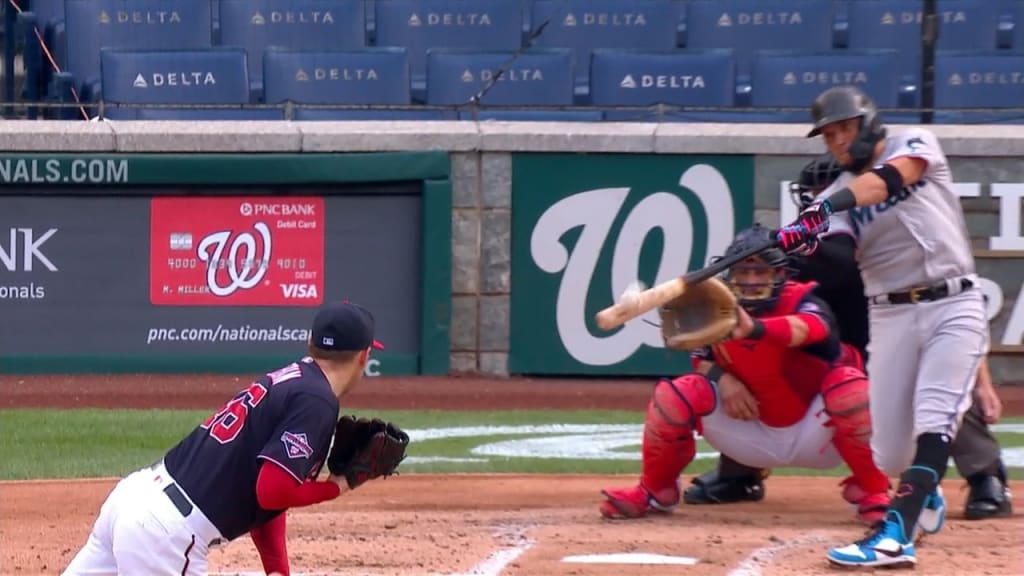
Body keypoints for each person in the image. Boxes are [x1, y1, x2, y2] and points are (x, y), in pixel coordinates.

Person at [685, 154, 1013, 523]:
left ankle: (986, 477)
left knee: (944, 380)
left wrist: (981, 379)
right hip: (830, 355)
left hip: (902, 343)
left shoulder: (899, 240)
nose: (820, 198)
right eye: (815, 192)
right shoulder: (798, 248)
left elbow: (955, 306)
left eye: (830, 189)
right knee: (759, 355)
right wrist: (721, 372)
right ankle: (740, 472)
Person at [778, 86, 990, 568]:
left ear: (869, 123)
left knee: (935, 416)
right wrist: (795, 245)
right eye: (828, 135)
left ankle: (897, 533)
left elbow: (889, 180)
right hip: (890, 313)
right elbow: (833, 258)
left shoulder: (913, 143)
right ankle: (924, 490)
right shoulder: (833, 197)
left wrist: (823, 210)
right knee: (891, 454)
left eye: (844, 128)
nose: (835, 141)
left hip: (952, 302)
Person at [62, 301, 385, 576]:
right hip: (165, 537)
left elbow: (265, 494)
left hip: (133, 499)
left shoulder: (290, 381)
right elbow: (273, 491)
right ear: (363, 355)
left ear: (309, 341)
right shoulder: (317, 401)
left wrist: (276, 569)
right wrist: (337, 486)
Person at [599, 225, 891, 525]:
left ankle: (873, 490)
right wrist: (723, 379)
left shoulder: (805, 299)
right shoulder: (720, 307)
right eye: (743, 273)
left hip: (818, 433)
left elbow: (811, 328)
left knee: (850, 389)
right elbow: (698, 355)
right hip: (751, 429)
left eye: (760, 273)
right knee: (675, 395)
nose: (751, 281)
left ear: (779, 275)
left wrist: (755, 329)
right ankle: (655, 490)